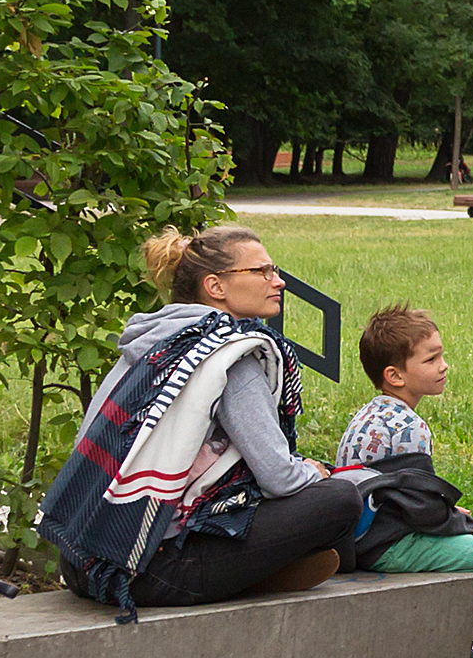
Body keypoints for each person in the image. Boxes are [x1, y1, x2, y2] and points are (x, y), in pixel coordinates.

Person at [56, 226, 400, 606]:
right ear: (215, 287)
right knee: (339, 499)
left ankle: (263, 569)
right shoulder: (228, 357)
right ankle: (262, 574)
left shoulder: (154, 340)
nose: (279, 281)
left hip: (81, 558)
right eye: (262, 272)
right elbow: (279, 478)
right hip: (147, 572)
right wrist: (312, 474)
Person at [326, 305, 473, 658]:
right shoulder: (410, 427)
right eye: (431, 358)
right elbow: (419, 513)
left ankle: (455, 650)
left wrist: (447, 512)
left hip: (356, 538)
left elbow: (398, 495)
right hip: (387, 545)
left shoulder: (366, 415)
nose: (444, 366)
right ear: (395, 375)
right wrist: (451, 517)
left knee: (465, 542)